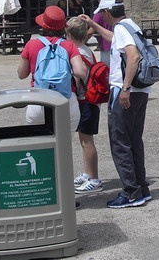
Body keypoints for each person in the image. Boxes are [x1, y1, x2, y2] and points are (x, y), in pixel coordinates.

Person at [94, 0, 152, 209]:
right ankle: (141, 188)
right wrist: (93, 24)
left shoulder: (120, 28)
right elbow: (115, 39)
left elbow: (133, 56)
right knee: (134, 140)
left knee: (120, 142)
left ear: (107, 12)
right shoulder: (130, 25)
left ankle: (131, 192)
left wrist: (125, 88)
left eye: (102, 14)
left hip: (125, 91)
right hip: (141, 91)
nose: (102, 17)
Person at [17, 5, 88, 133]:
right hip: (66, 101)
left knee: (38, 144)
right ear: (63, 27)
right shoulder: (69, 45)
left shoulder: (32, 44)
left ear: (43, 25)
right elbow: (80, 72)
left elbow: (21, 74)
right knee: (65, 143)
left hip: (38, 102)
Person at [65, 16, 103, 195]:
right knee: (84, 139)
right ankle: (87, 173)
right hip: (90, 100)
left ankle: (94, 179)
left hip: (86, 100)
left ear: (70, 35)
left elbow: (77, 80)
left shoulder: (78, 53)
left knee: (87, 141)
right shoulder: (86, 49)